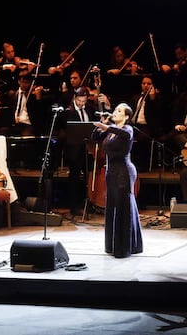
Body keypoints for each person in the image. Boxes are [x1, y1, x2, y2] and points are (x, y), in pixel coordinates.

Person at [91, 102, 143, 258]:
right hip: (111, 172)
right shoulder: (110, 132)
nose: (115, 112)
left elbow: (126, 136)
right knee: (113, 206)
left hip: (124, 171)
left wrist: (108, 128)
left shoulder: (127, 129)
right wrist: (102, 125)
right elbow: (95, 138)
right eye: (115, 110)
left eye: (119, 111)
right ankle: (113, 246)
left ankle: (125, 247)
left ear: (126, 116)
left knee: (123, 207)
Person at [56, 86, 98, 216]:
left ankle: (90, 203)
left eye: (84, 101)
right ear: (75, 98)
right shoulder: (68, 111)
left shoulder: (90, 108)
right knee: (74, 177)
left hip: (88, 148)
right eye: (80, 101)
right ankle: (74, 207)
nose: (82, 104)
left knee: (89, 176)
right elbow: (65, 128)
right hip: (75, 149)